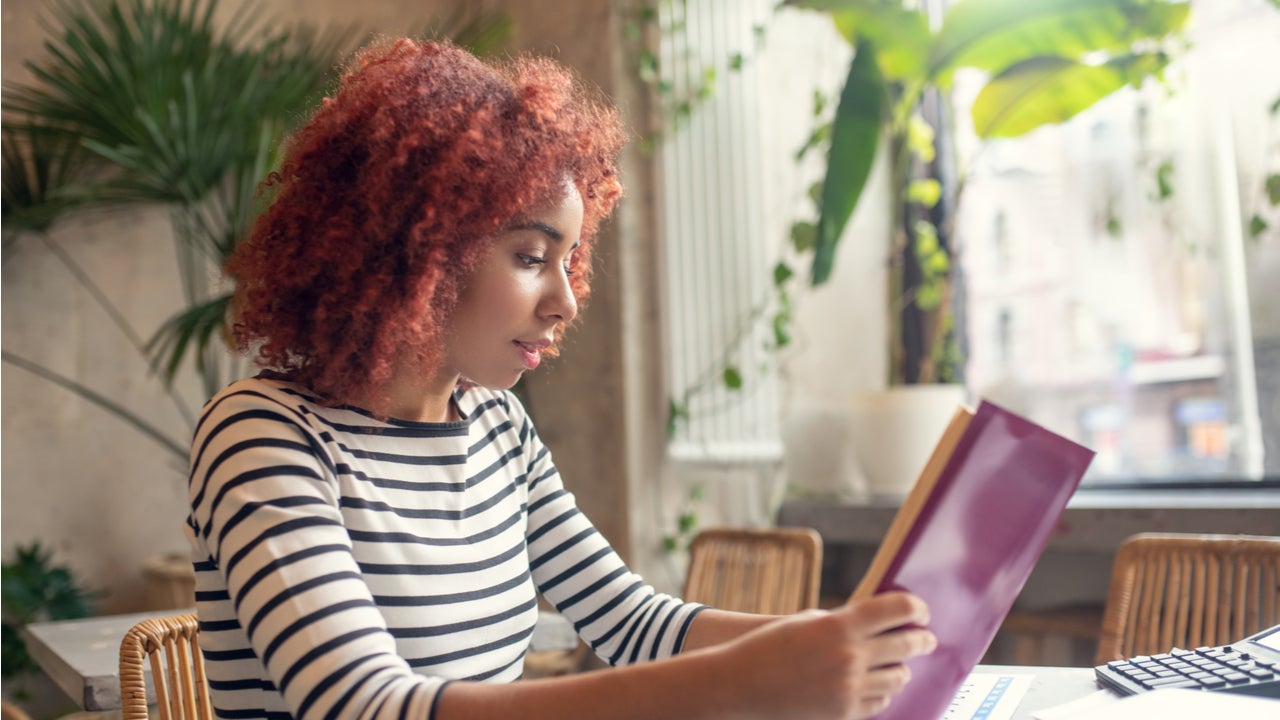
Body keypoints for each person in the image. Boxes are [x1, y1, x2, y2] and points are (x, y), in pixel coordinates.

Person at [186, 38, 936, 720]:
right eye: (529, 257)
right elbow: (367, 707)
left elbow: (634, 623)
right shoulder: (263, 433)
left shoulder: (498, 431)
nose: (566, 300)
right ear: (417, 252)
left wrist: (837, 646)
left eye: (567, 259)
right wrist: (746, 681)